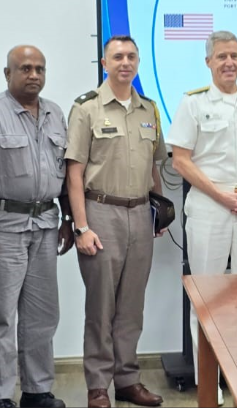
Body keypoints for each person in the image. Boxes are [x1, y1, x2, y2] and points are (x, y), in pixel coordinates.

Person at [168, 30, 237, 404]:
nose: (230, 62)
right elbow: (180, 159)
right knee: (208, 294)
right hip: (210, 205)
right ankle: (209, 385)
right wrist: (220, 194)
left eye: (235, 56)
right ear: (209, 62)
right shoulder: (193, 103)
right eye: (222, 56)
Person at [66, 36, 166, 408]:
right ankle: (97, 385)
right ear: (104, 63)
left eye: (131, 56)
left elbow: (154, 166)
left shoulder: (149, 110)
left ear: (138, 62)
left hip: (140, 214)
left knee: (131, 307)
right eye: (117, 57)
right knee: (101, 307)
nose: (125, 62)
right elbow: (74, 173)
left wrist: (159, 210)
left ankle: (127, 380)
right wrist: (80, 226)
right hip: (100, 213)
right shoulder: (87, 108)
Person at [0, 45, 70, 408]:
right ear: (7, 73)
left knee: (42, 315)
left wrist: (69, 219)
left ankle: (37, 391)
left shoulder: (56, 113)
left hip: (46, 223)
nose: (33, 75)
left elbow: (64, 172)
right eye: (25, 68)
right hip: (5, 226)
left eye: (40, 68)